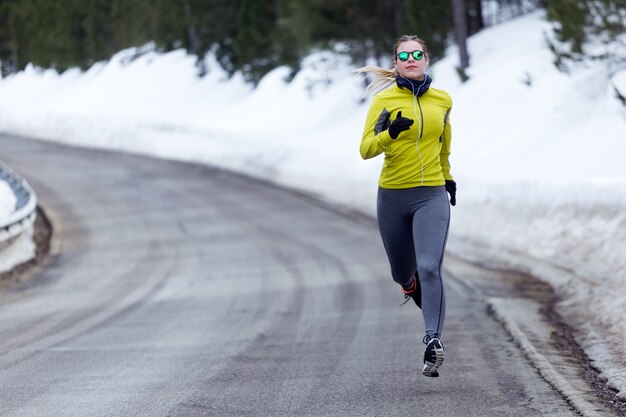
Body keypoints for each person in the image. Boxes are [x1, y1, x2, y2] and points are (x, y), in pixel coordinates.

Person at [356, 35, 456, 378]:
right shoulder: (384, 99)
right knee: (404, 273)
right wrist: (389, 135)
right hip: (393, 195)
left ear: (426, 60)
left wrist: (448, 178)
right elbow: (366, 149)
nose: (411, 59)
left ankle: (433, 341)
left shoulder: (442, 100)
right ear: (396, 63)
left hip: (431, 195)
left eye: (417, 54)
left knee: (430, 267)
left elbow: (444, 143)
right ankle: (412, 290)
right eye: (404, 56)